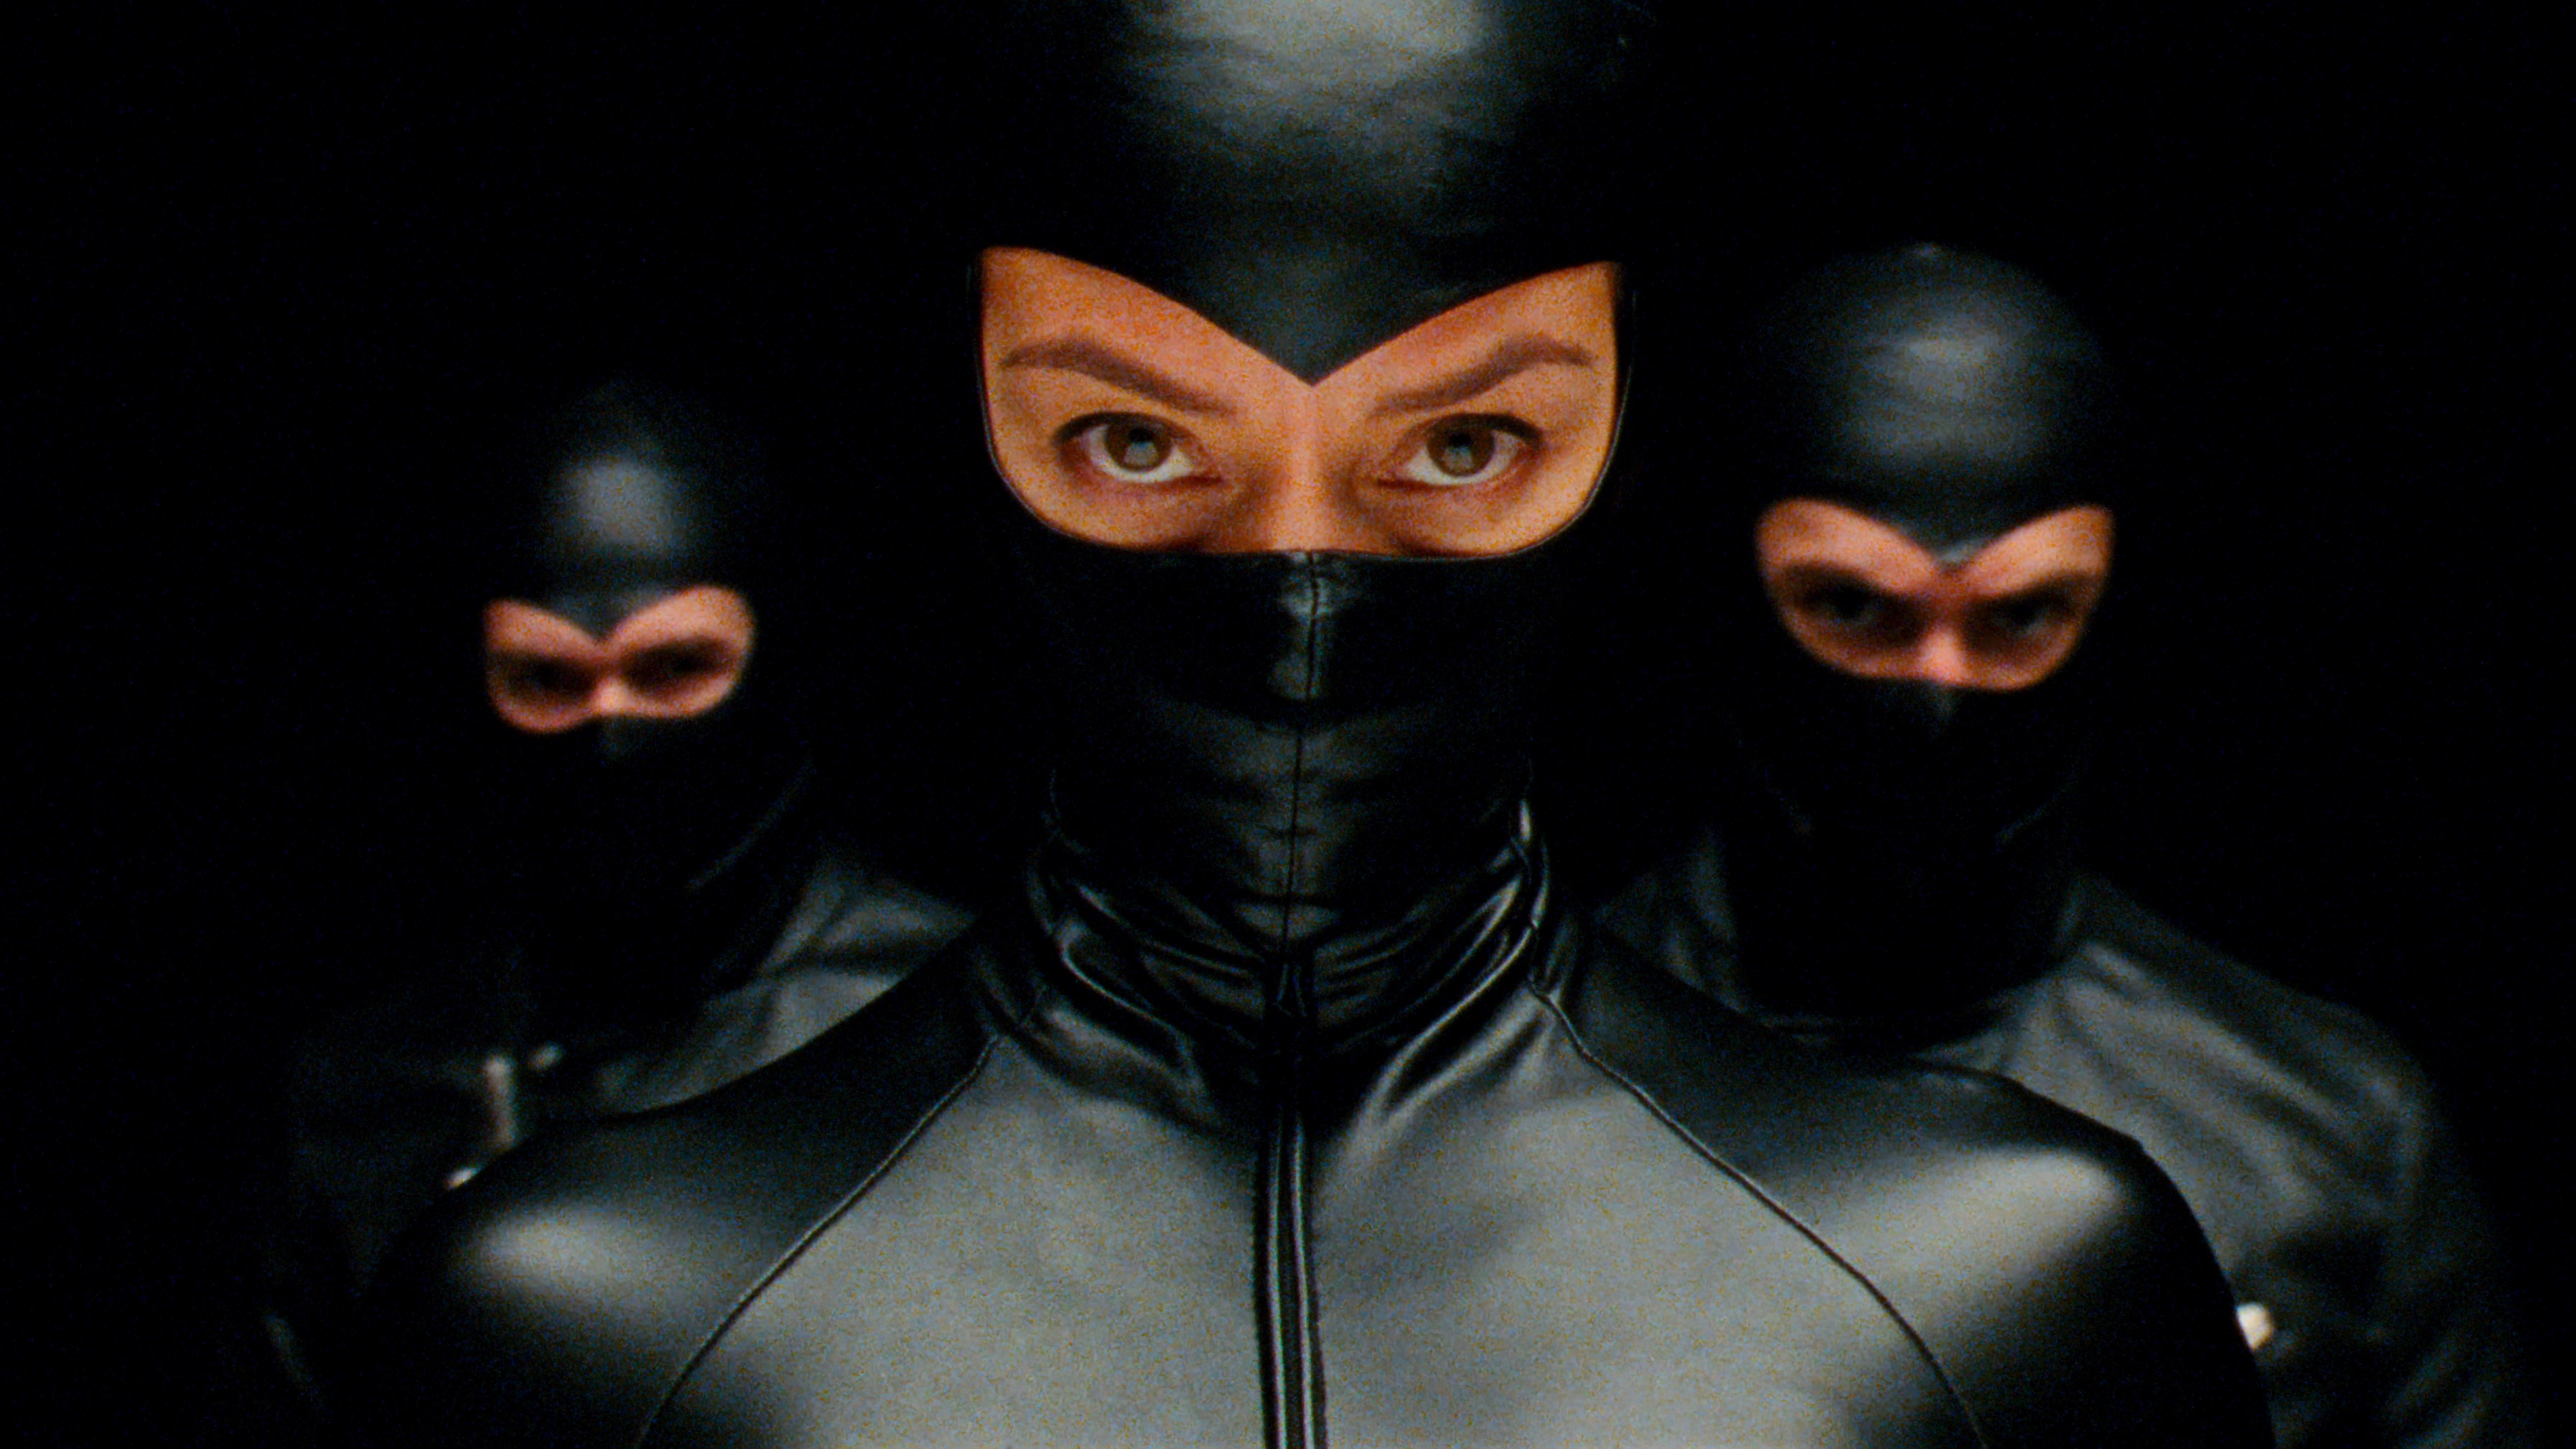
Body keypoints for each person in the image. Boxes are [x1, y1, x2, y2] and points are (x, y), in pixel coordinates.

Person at [352, 7, 2271, 1444]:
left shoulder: (2015, 1289)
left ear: (1620, 422)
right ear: (969, 413)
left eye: (1459, 442)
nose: (1297, 595)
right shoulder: (580, 1324)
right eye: (1135, 438)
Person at [1600, 243, 2534, 1448]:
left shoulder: (2328, 1131)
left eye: (2022, 614)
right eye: (1851, 606)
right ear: (1733, 590)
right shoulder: (1520, 1069)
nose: (1939, 694)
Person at [266, 380, 970, 1412]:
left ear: (779, 661)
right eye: (548, 680)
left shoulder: (956, 1031)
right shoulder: (378, 1087)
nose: (614, 736)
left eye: (676, 667)